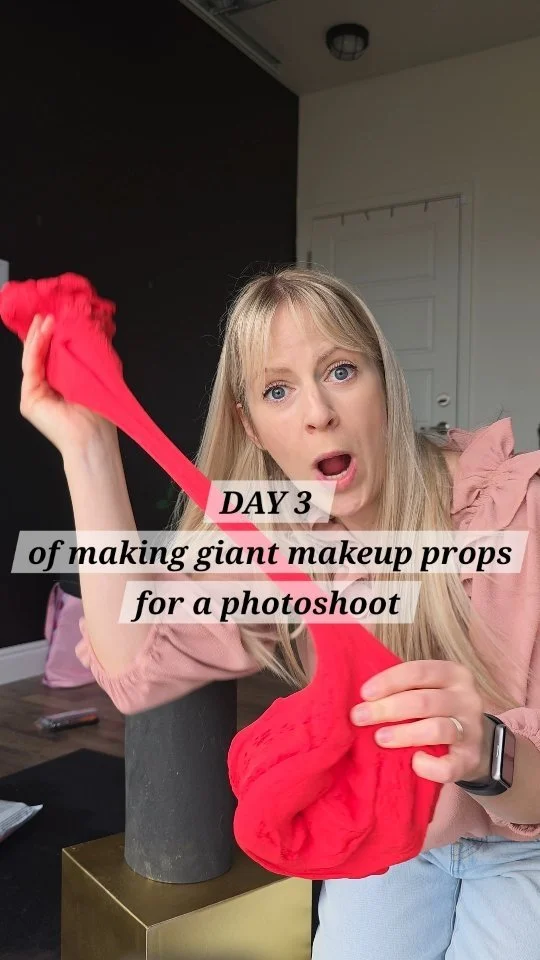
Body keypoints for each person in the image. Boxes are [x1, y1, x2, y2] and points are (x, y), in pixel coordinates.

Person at [19, 267, 540, 958]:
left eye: (342, 371)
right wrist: (88, 449)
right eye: (277, 390)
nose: (317, 412)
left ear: (386, 384)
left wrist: (488, 753)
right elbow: (134, 665)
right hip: (396, 837)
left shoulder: (517, 510)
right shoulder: (285, 537)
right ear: (253, 428)